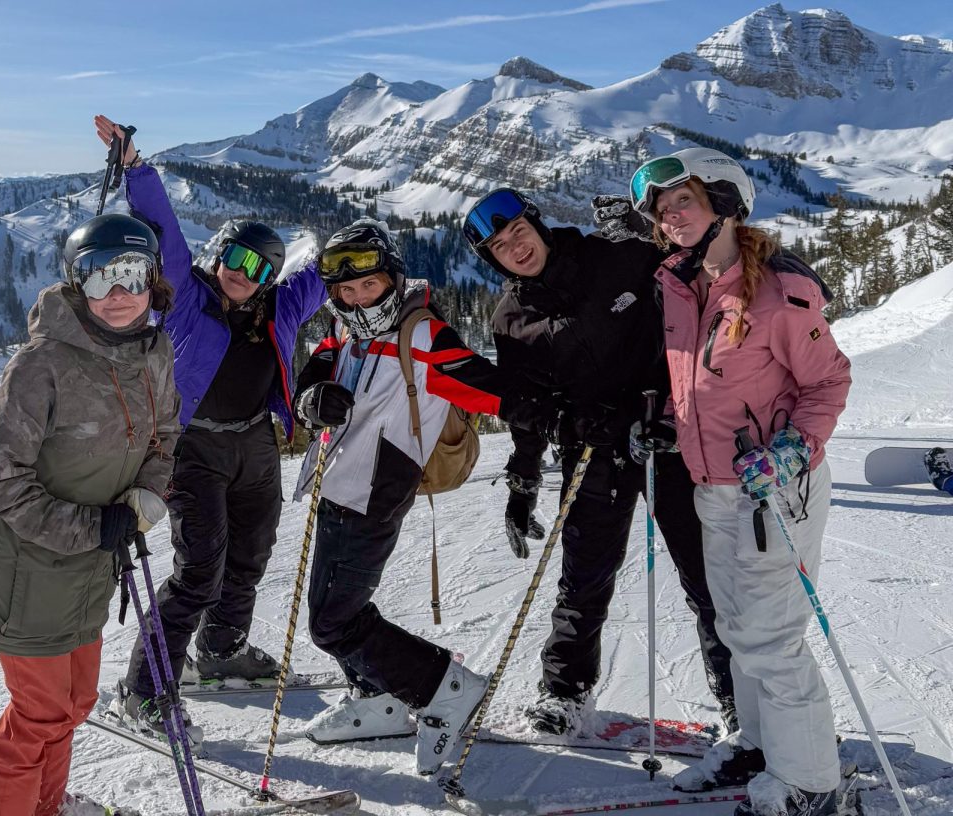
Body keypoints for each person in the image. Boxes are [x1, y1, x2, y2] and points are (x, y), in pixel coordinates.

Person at [462, 188, 737, 736]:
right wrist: (523, 481)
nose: (514, 248)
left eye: (517, 231)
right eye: (498, 246)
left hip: (667, 441)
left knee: (708, 577)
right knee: (582, 580)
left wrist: (674, 403)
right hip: (593, 453)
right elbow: (528, 404)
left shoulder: (615, 258)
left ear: (536, 224)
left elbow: (694, 300)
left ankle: (739, 698)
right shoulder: (512, 319)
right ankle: (566, 693)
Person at [628, 147, 852, 816]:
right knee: (733, 625)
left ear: (724, 201)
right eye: (662, 212)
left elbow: (828, 381)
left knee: (772, 637)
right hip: (715, 488)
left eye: (683, 202)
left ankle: (810, 780)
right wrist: (666, 423)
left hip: (775, 492)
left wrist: (792, 450)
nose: (669, 218)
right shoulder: (679, 283)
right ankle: (758, 745)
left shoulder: (778, 291)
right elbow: (701, 384)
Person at [91, 117, 329, 742]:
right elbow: (163, 232)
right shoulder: (189, 297)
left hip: (254, 441)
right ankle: (142, 689)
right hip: (192, 444)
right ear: (219, 253)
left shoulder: (280, 306)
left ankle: (221, 650)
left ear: (270, 275)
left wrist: (367, 256)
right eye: (233, 256)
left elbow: (327, 277)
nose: (240, 271)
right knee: (200, 571)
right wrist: (136, 167)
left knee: (250, 554)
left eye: (257, 265)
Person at [292, 217, 549, 776]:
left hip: (375, 494)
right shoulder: (345, 334)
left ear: (392, 279)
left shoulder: (423, 337)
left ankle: (447, 688)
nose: (359, 298)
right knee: (335, 612)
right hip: (335, 488)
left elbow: (489, 388)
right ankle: (377, 699)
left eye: (370, 285)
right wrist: (312, 401)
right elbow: (311, 380)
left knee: (333, 624)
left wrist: (559, 411)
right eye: (346, 290)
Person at [0, 212, 179, 816]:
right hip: (27, 572)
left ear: (152, 279)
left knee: (74, 704)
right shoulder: (42, 365)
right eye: (100, 278)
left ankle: (43, 806)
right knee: (39, 714)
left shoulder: (154, 352)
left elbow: (166, 437)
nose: (119, 294)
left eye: (132, 275)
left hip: (90, 570)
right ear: (77, 284)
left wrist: (147, 499)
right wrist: (94, 528)